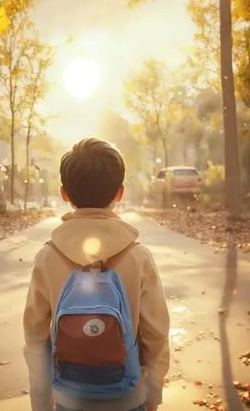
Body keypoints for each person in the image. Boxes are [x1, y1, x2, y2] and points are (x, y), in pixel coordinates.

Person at [23, 138, 170, 411]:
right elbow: (156, 334)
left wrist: (41, 402)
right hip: (128, 397)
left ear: (64, 193)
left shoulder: (47, 257)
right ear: (120, 192)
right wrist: (153, 395)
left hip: (67, 398)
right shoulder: (139, 257)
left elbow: (35, 339)